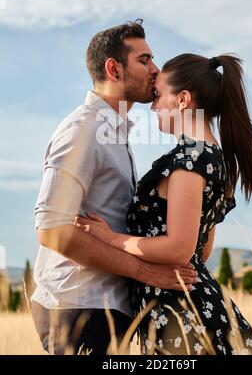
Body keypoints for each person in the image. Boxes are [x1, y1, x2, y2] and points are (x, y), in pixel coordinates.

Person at [75, 53, 252, 355]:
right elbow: (200, 251)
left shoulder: (188, 163)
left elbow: (180, 249)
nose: (153, 106)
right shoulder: (213, 159)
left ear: (182, 100)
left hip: (181, 316)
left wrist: (111, 239)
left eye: (158, 95)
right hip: (195, 309)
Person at [31, 21, 198, 355]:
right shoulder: (84, 130)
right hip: (79, 308)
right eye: (145, 60)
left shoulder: (113, 132)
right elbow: (52, 229)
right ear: (114, 69)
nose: (156, 70)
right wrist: (145, 272)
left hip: (101, 309)